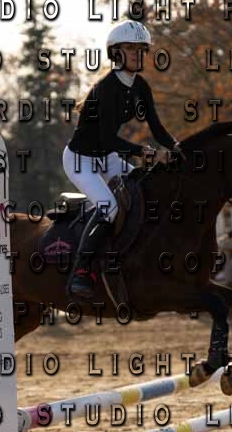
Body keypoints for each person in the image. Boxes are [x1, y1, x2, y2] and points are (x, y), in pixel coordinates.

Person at [64, 20, 180, 299]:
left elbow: (157, 129)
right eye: (130, 48)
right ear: (116, 53)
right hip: (80, 160)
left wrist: (179, 147)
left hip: (107, 158)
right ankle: (82, 271)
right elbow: (108, 140)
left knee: (143, 190)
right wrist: (149, 153)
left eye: (142, 50)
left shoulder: (141, 86)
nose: (138, 55)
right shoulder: (105, 88)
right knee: (110, 208)